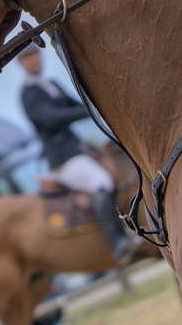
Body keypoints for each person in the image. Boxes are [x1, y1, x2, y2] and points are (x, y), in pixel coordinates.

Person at [17, 45, 135, 261]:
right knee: (101, 182)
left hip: (79, 150)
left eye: (35, 55)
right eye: (28, 58)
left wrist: (98, 102)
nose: (34, 61)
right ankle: (118, 241)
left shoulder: (51, 83)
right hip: (63, 158)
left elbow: (77, 103)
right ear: (21, 63)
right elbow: (51, 118)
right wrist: (86, 110)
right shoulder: (28, 93)